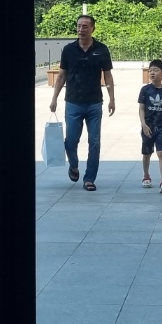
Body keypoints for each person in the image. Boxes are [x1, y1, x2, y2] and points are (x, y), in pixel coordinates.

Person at [48, 13, 114, 192]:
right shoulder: (69, 49)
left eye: (85, 26)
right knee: (71, 141)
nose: (81, 29)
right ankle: (74, 165)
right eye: (79, 26)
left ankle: (89, 179)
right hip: (73, 103)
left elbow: (108, 75)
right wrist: (54, 98)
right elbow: (62, 75)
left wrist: (112, 99)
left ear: (92, 28)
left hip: (94, 103)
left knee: (94, 142)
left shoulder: (102, 49)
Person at [138, 58, 162, 194]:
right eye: (150, 70)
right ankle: (146, 175)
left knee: (161, 153)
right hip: (148, 126)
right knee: (147, 153)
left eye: (155, 70)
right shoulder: (145, 90)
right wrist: (143, 124)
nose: (152, 72)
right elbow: (141, 109)